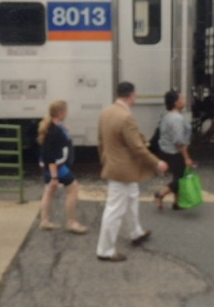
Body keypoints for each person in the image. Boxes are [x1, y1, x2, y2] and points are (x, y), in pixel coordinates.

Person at [96, 81, 168, 262]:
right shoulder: (125, 117)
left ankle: (135, 232)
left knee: (131, 199)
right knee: (114, 210)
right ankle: (105, 250)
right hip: (123, 171)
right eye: (135, 95)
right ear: (131, 95)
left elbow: (101, 141)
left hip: (116, 168)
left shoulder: (106, 112)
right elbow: (137, 147)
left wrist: (105, 160)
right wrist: (157, 163)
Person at [37, 100, 88, 234]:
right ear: (60, 113)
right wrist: (54, 177)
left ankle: (45, 221)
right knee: (73, 189)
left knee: (49, 191)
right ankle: (72, 222)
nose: (67, 113)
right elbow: (50, 156)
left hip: (52, 167)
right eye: (65, 111)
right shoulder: (54, 132)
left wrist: (63, 130)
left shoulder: (54, 127)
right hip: (57, 168)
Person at [154, 90, 194, 211]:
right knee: (180, 179)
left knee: (177, 176)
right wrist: (187, 158)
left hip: (165, 150)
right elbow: (179, 142)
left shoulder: (166, 114)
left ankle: (177, 203)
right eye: (182, 98)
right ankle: (160, 195)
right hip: (174, 152)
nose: (184, 100)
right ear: (176, 103)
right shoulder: (176, 119)